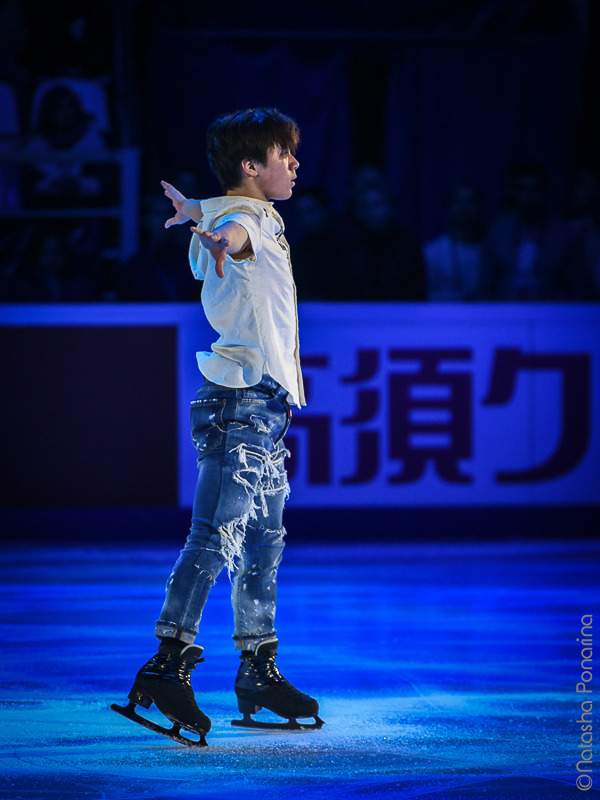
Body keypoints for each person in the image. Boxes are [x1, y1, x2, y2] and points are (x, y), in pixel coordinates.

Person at [111, 108, 322, 747]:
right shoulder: (245, 221)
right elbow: (234, 231)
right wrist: (214, 229)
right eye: (283, 154)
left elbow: (226, 220)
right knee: (218, 537)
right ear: (250, 167)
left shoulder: (251, 216)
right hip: (241, 407)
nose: (294, 163)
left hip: (264, 408)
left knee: (262, 542)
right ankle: (165, 664)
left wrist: (202, 214)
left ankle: (256, 669)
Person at [423, 182, 487, 301]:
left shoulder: (493, 249)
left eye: (471, 201)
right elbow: (424, 297)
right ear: (448, 208)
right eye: (458, 201)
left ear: (481, 207)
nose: (464, 207)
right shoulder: (433, 252)